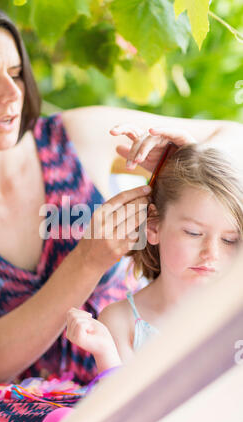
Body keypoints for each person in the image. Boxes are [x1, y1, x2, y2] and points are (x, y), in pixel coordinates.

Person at [0, 0, 242, 422]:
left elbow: (232, 134)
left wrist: (187, 147)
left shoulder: (77, 135)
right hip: (38, 408)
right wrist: (88, 259)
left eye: (16, 73)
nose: (11, 94)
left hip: (128, 373)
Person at [67, 143, 243, 374]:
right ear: (153, 226)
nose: (212, 253)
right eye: (193, 233)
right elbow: (125, 407)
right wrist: (105, 354)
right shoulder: (122, 321)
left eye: (230, 240)